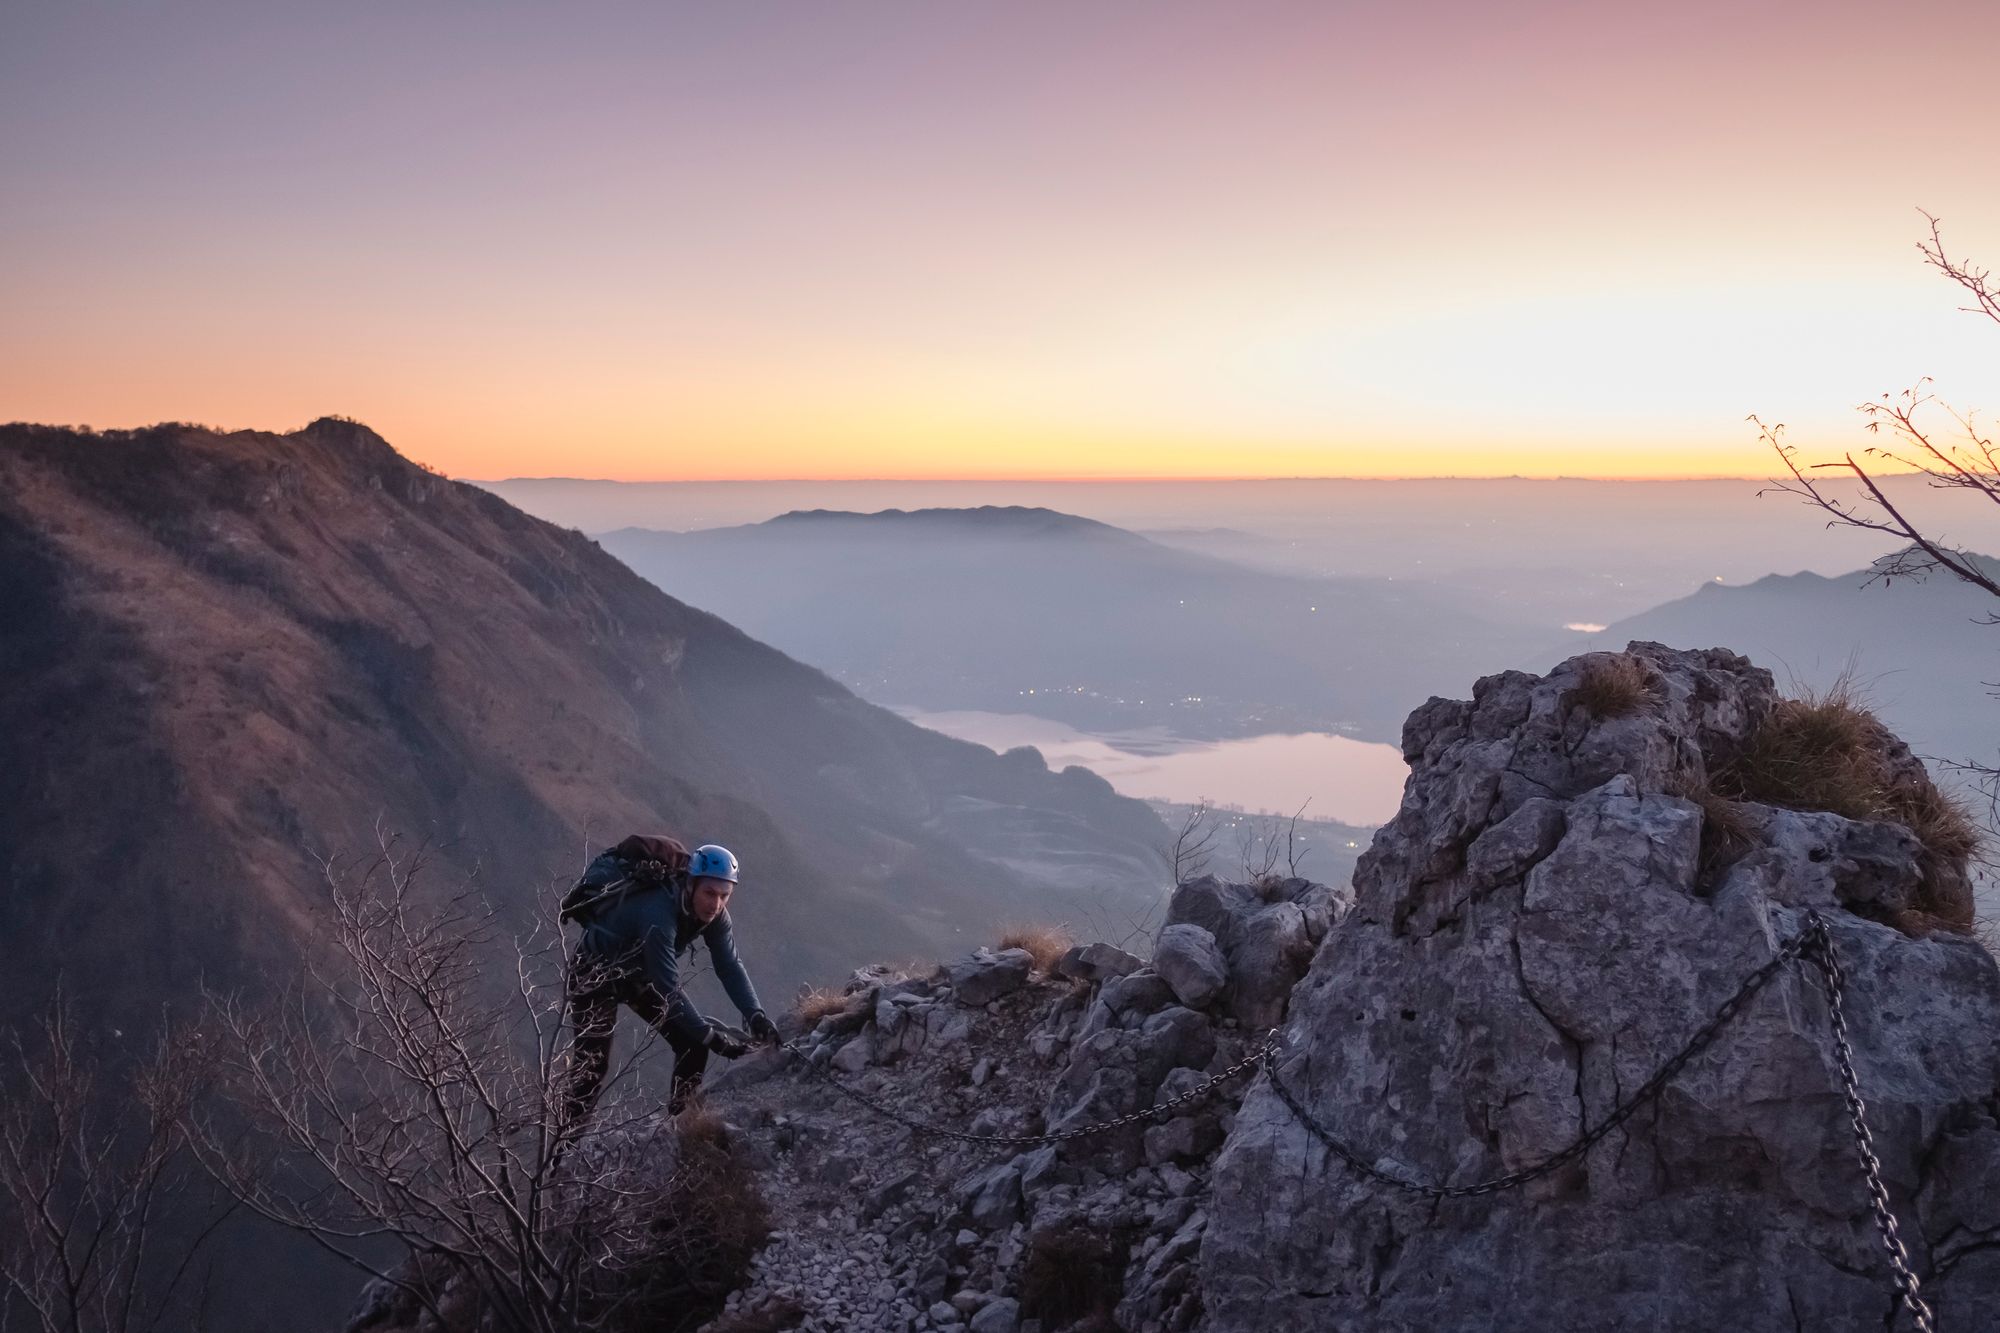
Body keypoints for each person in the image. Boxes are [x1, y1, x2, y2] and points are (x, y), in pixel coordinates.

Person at [560, 834, 779, 1123]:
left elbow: (729, 966)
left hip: (638, 974)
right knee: (592, 1068)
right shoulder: (658, 913)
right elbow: (668, 988)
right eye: (709, 893)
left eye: (724, 896)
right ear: (691, 884)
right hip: (594, 974)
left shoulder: (715, 916)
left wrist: (756, 1016)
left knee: (693, 1043)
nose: (715, 904)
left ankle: (677, 1127)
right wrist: (713, 1038)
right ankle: (563, 1154)